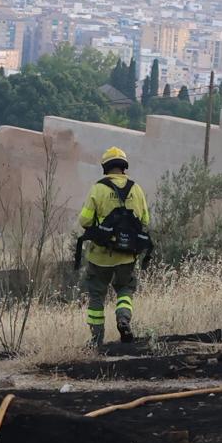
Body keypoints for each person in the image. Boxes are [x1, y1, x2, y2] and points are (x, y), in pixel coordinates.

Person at [76, 147, 151, 349]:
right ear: (124, 167)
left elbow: (84, 220)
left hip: (100, 256)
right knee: (125, 289)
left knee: (96, 296)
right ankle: (123, 319)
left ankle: (96, 340)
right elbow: (145, 220)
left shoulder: (98, 188)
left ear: (105, 167)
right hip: (127, 256)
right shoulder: (136, 189)